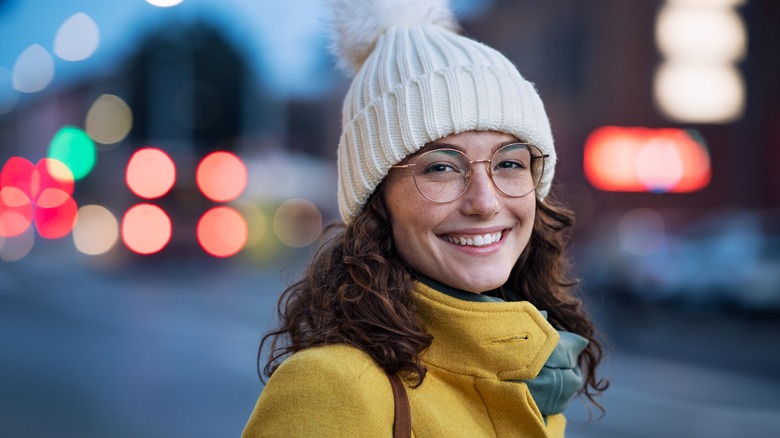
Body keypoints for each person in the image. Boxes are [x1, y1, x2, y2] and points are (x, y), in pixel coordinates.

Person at [242, 0, 608, 436]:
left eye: (509, 163)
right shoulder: (332, 387)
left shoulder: (539, 378)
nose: (485, 202)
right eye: (441, 167)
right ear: (377, 200)